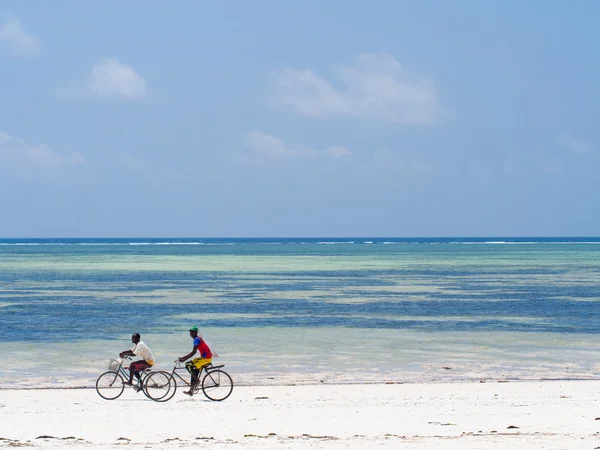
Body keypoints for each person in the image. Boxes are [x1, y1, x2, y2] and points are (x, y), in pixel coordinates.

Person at [178, 326, 212, 396]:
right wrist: (183, 357)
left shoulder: (196, 339)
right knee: (192, 370)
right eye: (190, 332)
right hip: (204, 357)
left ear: (196, 333)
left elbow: (194, 352)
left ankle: (197, 381)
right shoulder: (197, 339)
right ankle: (191, 390)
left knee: (188, 365)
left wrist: (184, 359)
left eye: (192, 332)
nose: (191, 333)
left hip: (206, 358)